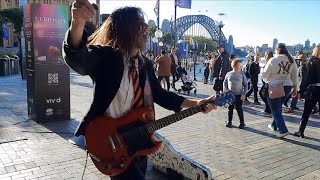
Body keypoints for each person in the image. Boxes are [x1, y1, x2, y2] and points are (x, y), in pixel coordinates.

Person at [63, 2, 216, 179]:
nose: (145, 27)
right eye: (139, 23)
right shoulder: (106, 57)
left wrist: (196, 103)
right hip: (110, 139)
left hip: (139, 141)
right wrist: (77, 23)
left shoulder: (145, 64)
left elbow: (160, 94)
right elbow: (78, 58)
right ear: (124, 29)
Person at [262, 43, 299, 138]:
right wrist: (295, 88)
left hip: (274, 86)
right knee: (277, 108)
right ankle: (273, 125)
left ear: (277, 50)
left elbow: (265, 75)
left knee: (274, 109)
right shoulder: (291, 60)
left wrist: (268, 81)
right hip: (287, 86)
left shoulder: (273, 60)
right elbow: (295, 75)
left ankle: (283, 130)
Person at [294, 44, 320, 138]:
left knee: (306, 112)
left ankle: (301, 131)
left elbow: (307, 78)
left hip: (313, 90)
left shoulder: (312, 61)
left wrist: (300, 91)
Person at [223, 59, 248, 129]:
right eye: (239, 66)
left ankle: (242, 123)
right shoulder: (229, 74)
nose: (240, 67)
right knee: (230, 109)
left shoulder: (242, 74)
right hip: (230, 95)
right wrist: (225, 90)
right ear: (234, 66)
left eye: (241, 66)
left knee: (239, 109)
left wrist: (244, 94)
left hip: (239, 95)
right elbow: (225, 82)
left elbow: (246, 85)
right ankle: (229, 122)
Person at [259, 51, 273, 116]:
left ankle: (268, 109)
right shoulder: (268, 62)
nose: (264, 56)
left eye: (265, 55)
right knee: (263, 94)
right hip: (266, 82)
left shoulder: (270, 62)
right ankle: (268, 108)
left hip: (268, 82)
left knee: (264, 94)